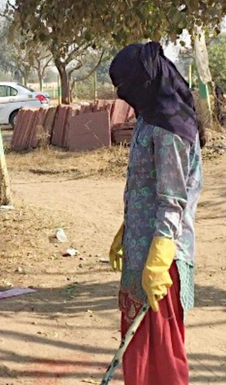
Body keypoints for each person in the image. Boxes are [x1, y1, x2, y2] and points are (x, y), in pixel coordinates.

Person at [108, 42, 204, 385]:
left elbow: (173, 200)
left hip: (161, 264)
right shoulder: (148, 118)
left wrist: (158, 259)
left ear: (144, 81)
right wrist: (127, 228)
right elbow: (147, 187)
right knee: (139, 354)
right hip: (141, 253)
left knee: (160, 358)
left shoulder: (170, 128)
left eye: (125, 86)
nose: (122, 95)